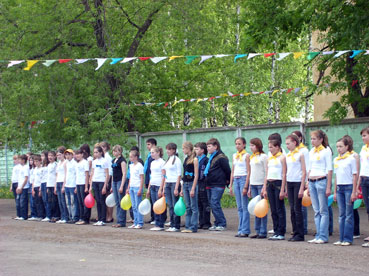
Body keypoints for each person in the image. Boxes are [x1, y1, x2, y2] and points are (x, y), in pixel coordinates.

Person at [307, 130, 333, 244]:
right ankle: (318, 235)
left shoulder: (326, 150)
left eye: (314, 139)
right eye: (311, 139)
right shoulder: (312, 151)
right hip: (312, 181)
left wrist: (328, 187)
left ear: (321, 140)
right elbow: (310, 168)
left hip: (321, 180)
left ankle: (323, 235)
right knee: (316, 210)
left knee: (323, 210)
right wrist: (307, 184)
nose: (312, 141)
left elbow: (329, 169)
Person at [333, 136, 357, 246]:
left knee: (348, 214)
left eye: (341, 146)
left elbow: (355, 175)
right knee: (341, 214)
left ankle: (347, 238)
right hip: (340, 188)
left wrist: (354, 191)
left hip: (348, 187)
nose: (339, 149)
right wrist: (335, 191)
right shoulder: (336, 159)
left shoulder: (351, 158)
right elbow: (336, 176)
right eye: (337, 146)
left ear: (347, 147)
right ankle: (341, 238)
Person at [263, 139, 287, 240]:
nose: (270, 149)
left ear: (277, 147)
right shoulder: (270, 158)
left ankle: (281, 231)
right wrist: (264, 187)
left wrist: (283, 188)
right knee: (273, 209)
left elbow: (284, 173)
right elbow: (267, 173)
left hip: (278, 183)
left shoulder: (282, 158)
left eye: (272, 147)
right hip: (270, 183)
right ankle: (275, 230)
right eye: (269, 147)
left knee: (279, 208)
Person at [205, 138, 231, 231]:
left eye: (209, 146)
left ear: (215, 146)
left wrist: (227, 181)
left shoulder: (221, 157)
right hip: (210, 183)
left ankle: (222, 223)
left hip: (218, 183)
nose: (207, 148)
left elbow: (227, 170)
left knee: (215, 203)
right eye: (207, 146)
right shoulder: (211, 157)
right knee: (212, 204)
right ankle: (217, 222)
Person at [285, 134, 306, 241]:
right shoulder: (288, 155)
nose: (287, 145)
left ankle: (300, 234)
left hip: (297, 182)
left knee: (297, 209)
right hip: (290, 182)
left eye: (288, 143)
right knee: (292, 209)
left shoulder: (300, 154)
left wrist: (302, 187)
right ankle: (294, 231)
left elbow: (303, 171)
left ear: (294, 142)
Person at [229, 137, 250, 237]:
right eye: (236, 144)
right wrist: (231, 184)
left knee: (244, 205)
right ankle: (240, 228)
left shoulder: (246, 155)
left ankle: (245, 229)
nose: (237, 146)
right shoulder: (235, 155)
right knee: (239, 206)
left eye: (239, 144)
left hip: (243, 178)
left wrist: (246, 185)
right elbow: (233, 170)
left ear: (244, 145)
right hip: (236, 179)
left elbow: (248, 171)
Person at [248, 138, 268, 239]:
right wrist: (249, 187)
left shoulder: (263, 156)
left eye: (252, 145)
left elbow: (266, 171)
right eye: (250, 145)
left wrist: (265, 186)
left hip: (260, 184)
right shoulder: (252, 157)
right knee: (256, 208)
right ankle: (257, 230)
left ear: (257, 146)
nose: (250, 147)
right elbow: (250, 172)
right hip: (253, 184)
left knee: (262, 208)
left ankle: (263, 231)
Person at [292, 130, 309, 235]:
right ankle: (297, 228)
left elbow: (306, 166)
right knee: (295, 206)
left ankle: (303, 227)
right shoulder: (293, 152)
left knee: (302, 206)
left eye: (295, 137)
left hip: (302, 179)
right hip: (293, 179)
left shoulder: (304, 151)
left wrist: (306, 180)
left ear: (300, 139)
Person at [162, 143, 182, 232]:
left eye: (169, 149)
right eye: (167, 149)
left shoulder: (177, 160)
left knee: (175, 205)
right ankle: (172, 223)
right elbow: (165, 173)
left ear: (174, 150)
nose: (168, 151)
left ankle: (176, 225)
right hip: (168, 183)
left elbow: (179, 175)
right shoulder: (168, 159)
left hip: (174, 183)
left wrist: (176, 187)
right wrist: (164, 185)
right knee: (170, 205)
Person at [180, 142, 199, 233]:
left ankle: (193, 226)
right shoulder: (186, 159)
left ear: (188, 148)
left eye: (184, 148)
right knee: (188, 206)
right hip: (186, 183)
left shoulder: (195, 159)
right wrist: (181, 187)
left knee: (193, 206)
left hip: (191, 183)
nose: (183, 150)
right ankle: (187, 225)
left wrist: (193, 188)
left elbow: (196, 175)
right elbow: (184, 174)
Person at [147, 146, 166, 231]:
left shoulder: (162, 162)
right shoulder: (152, 162)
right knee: (154, 205)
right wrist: (148, 187)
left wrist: (161, 188)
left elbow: (163, 176)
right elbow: (151, 176)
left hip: (159, 185)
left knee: (159, 205)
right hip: (153, 185)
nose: (151, 154)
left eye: (153, 152)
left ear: (158, 153)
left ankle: (160, 224)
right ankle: (156, 222)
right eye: (151, 152)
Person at [89, 146, 110, 226]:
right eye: (94, 152)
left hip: (101, 182)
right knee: (97, 201)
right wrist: (90, 185)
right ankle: (99, 218)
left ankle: (103, 219)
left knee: (102, 200)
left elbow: (107, 174)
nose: (95, 154)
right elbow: (92, 173)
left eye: (97, 152)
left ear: (101, 152)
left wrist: (105, 186)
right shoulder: (94, 162)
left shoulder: (104, 161)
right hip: (95, 182)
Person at [127, 149, 144, 229]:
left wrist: (140, 189)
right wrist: (128, 187)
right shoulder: (131, 166)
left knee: (138, 205)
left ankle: (140, 222)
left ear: (136, 157)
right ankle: (135, 221)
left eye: (132, 157)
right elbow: (130, 177)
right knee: (133, 206)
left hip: (137, 186)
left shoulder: (139, 166)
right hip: (132, 186)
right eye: (130, 157)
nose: (130, 158)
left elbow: (141, 178)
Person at [194, 142, 210, 229]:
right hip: (197, 183)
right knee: (199, 202)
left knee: (205, 203)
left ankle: (206, 222)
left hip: (203, 183)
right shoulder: (196, 159)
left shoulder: (206, 160)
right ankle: (201, 221)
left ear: (203, 150)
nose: (195, 150)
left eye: (197, 149)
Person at [111, 145, 128, 228]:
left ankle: (122, 221)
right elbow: (113, 173)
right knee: (117, 202)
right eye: (113, 151)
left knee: (121, 202)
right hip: (114, 181)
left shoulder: (122, 161)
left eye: (116, 151)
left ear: (120, 152)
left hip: (120, 181)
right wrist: (111, 185)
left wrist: (121, 186)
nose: (114, 152)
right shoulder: (113, 160)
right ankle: (118, 220)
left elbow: (124, 173)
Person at [359, 126, 369, 247]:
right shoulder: (363, 148)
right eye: (362, 136)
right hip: (364, 178)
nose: (363, 138)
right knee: (368, 209)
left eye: (365, 135)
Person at [74, 149, 91, 225]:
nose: (77, 156)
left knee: (85, 202)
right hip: (78, 183)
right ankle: (81, 217)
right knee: (80, 202)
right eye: (76, 154)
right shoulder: (77, 163)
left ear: (82, 154)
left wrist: (86, 186)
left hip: (83, 184)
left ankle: (86, 218)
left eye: (78, 154)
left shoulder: (85, 162)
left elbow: (87, 174)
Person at [64, 149, 79, 223]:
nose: (67, 156)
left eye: (69, 154)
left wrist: (76, 186)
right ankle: (70, 216)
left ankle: (74, 217)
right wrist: (64, 184)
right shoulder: (66, 163)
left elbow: (76, 175)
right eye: (66, 154)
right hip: (67, 184)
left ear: (72, 155)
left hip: (73, 185)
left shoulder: (75, 163)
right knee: (68, 202)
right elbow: (66, 174)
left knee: (73, 202)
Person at [100, 141, 114, 223]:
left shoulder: (107, 157)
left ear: (105, 148)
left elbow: (110, 170)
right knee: (104, 198)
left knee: (108, 197)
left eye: (102, 146)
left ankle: (110, 216)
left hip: (108, 177)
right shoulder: (102, 157)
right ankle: (104, 215)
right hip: (104, 177)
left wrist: (109, 180)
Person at [144, 138, 157, 224]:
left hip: (154, 180)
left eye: (149, 144)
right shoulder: (149, 156)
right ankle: (153, 217)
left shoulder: (154, 157)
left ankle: (157, 217)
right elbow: (147, 169)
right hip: (149, 179)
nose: (147, 146)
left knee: (156, 200)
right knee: (152, 199)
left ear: (153, 145)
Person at [45, 151, 60, 223]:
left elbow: (56, 175)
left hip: (54, 184)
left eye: (51, 155)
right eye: (49, 155)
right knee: (50, 201)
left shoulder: (55, 164)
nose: (50, 157)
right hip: (49, 185)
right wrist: (47, 187)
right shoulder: (49, 165)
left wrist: (55, 186)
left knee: (55, 201)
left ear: (55, 157)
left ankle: (56, 215)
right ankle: (51, 215)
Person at [55, 146, 68, 224]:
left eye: (60, 154)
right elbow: (57, 174)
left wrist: (64, 184)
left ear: (63, 154)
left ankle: (65, 217)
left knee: (63, 201)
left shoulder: (66, 162)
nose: (58, 156)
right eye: (57, 155)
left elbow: (66, 174)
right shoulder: (58, 163)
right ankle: (62, 216)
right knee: (60, 201)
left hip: (63, 182)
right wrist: (55, 185)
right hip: (58, 182)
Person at [30, 154, 45, 220]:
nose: (35, 163)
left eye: (37, 161)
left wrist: (40, 189)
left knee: (40, 202)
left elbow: (42, 179)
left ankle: (42, 215)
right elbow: (33, 179)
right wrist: (32, 189)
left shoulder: (42, 168)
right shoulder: (35, 169)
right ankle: (38, 215)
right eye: (34, 162)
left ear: (40, 161)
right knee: (36, 202)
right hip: (35, 186)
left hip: (39, 186)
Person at [15, 155, 30, 220]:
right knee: (18, 202)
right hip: (19, 186)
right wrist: (18, 187)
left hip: (24, 187)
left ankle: (24, 216)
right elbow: (19, 178)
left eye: (20, 159)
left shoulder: (26, 167)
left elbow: (26, 178)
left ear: (23, 160)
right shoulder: (21, 167)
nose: (19, 161)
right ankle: (20, 215)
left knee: (23, 202)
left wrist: (21, 187)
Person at [10, 155, 21, 219]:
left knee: (18, 200)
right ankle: (18, 214)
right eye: (14, 159)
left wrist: (19, 186)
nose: (14, 161)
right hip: (14, 183)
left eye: (15, 159)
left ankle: (20, 214)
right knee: (16, 200)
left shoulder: (20, 167)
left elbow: (20, 177)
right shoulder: (14, 167)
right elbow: (13, 177)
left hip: (17, 183)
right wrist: (11, 185)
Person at [40, 151, 49, 221]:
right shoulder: (42, 165)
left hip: (46, 183)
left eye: (43, 156)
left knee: (47, 200)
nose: (41, 157)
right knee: (44, 200)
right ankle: (45, 215)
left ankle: (48, 215)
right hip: (42, 183)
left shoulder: (48, 165)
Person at [28, 155, 37, 220]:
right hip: (30, 184)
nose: (31, 162)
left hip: (34, 185)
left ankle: (35, 214)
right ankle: (32, 213)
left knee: (33, 201)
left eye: (32, 160)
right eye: (30, 160)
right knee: (31, 201)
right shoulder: (30, 169)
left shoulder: (35, 169)